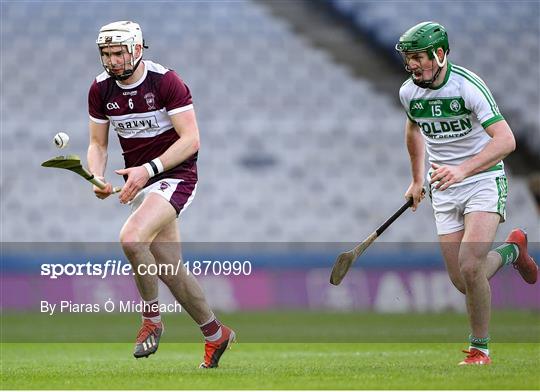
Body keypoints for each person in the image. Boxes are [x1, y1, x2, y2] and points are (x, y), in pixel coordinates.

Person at [86, 20, 235, 368]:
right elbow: (97, 143)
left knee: (132, 238)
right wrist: (96, 176)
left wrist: (149, 170)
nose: (112, 61)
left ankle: (151, 320)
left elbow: (191, 140)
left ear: (137, 49)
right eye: (106, 54)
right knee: (169, 268)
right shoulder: (100, 89)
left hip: (175, 175)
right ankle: (216, 334)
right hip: (142, 182)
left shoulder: (165, 81)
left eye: (119, 53)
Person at [395, 21, 538, 365]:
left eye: (418, 57)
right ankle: (513, 252)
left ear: (439, 55)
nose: (411, 64)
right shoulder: (408, 92)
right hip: (443, 188)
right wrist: (417, 180)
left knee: (471, 266)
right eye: (408, 58)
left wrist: (462, 169)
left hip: (483, 180)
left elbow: (506, 140)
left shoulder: (467, 86)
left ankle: (480, 350)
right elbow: (414, 128)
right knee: (463, 280)